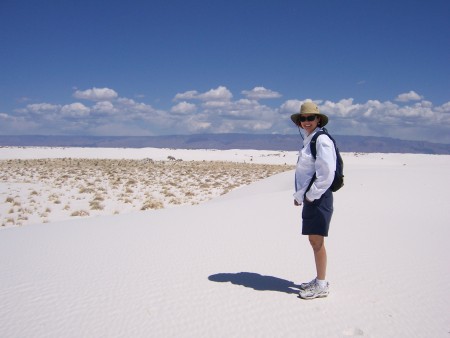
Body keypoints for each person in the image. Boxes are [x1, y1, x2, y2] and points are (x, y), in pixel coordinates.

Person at [291, 101, 336, 300]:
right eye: (303, 118)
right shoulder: (311, 140)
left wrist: (309, 196)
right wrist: (300, 196)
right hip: (312, 197)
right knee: (313, 240)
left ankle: (321, 284)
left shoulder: (321, 141)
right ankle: (319, 280)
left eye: (311, 118)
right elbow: (307, 172)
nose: (307, 121)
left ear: (318, 119)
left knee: (317, 242)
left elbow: (326, 175)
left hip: (319, 197)